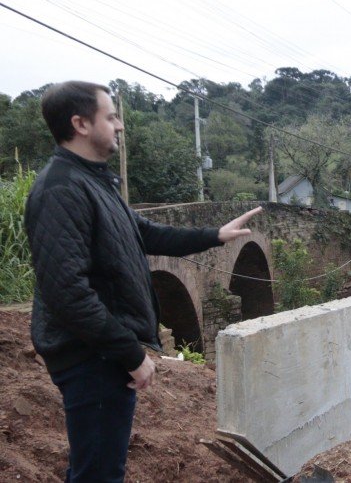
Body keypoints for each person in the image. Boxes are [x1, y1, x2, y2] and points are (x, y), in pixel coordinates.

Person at [25, 81, 263, 482]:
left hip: (100, 352)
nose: (119, 126)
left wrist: (213, 235)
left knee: (97, 468)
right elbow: (66, 292)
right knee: (98, 474)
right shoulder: (61, 190)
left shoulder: (93, 181)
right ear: (81, 124)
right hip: (90, 356)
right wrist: (130, 355)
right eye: (111, 116)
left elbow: (145, 234)